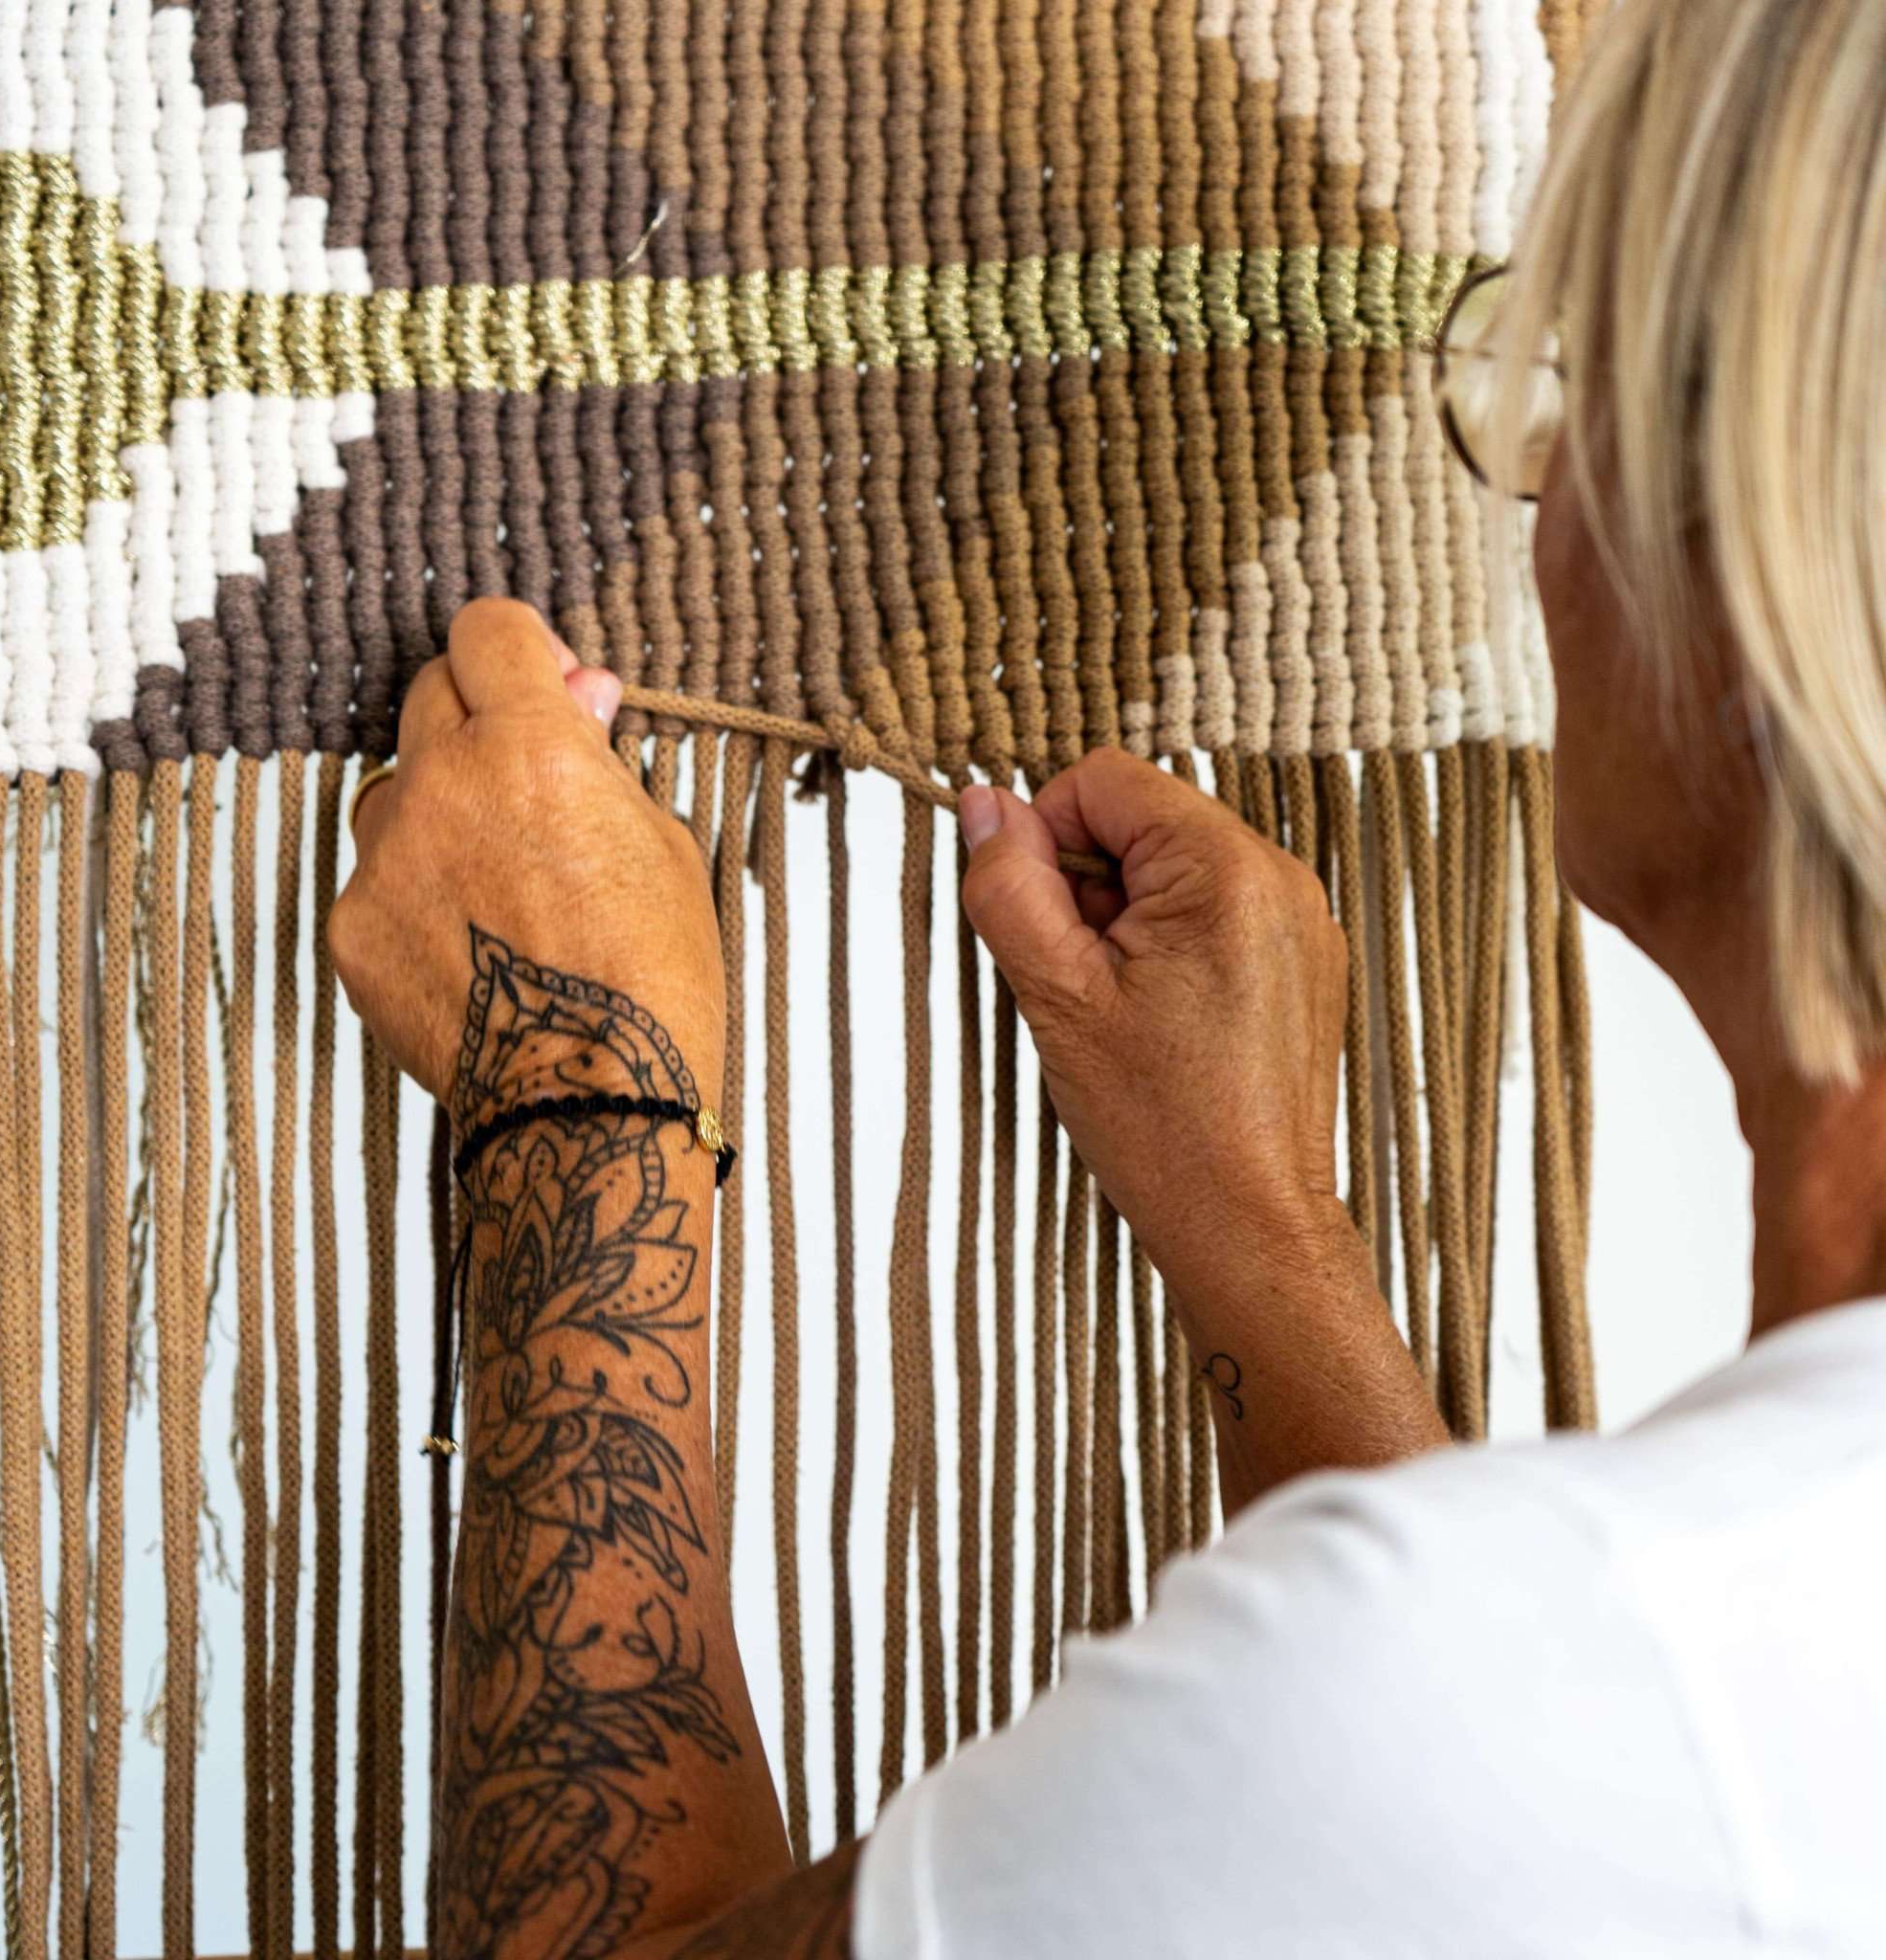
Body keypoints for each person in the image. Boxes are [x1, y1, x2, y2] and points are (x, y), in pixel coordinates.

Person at [327, 0, 1886, 1951]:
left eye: (1570, 387)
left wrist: (580, 1104)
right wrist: (1263, 1230)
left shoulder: (1552, 1691)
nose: (1537, 498)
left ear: (1751, 556)